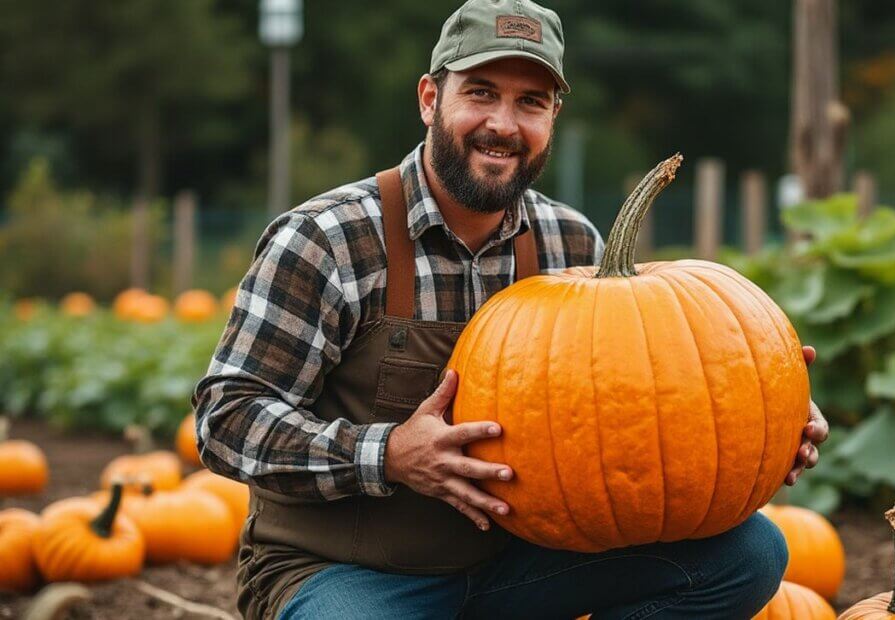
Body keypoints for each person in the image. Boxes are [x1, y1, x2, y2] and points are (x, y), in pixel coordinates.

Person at [192, 1, 829, 618]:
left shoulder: (570, 244)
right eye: (481, 92)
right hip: (349, 573)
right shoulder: (328, 239)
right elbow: (227, 418)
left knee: (749, 554)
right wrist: (387, 454)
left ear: (553, 118)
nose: (504, 123)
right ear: (429, 99)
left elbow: (632, 406)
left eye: (531, 102)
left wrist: (757, 405)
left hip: (519, 566)